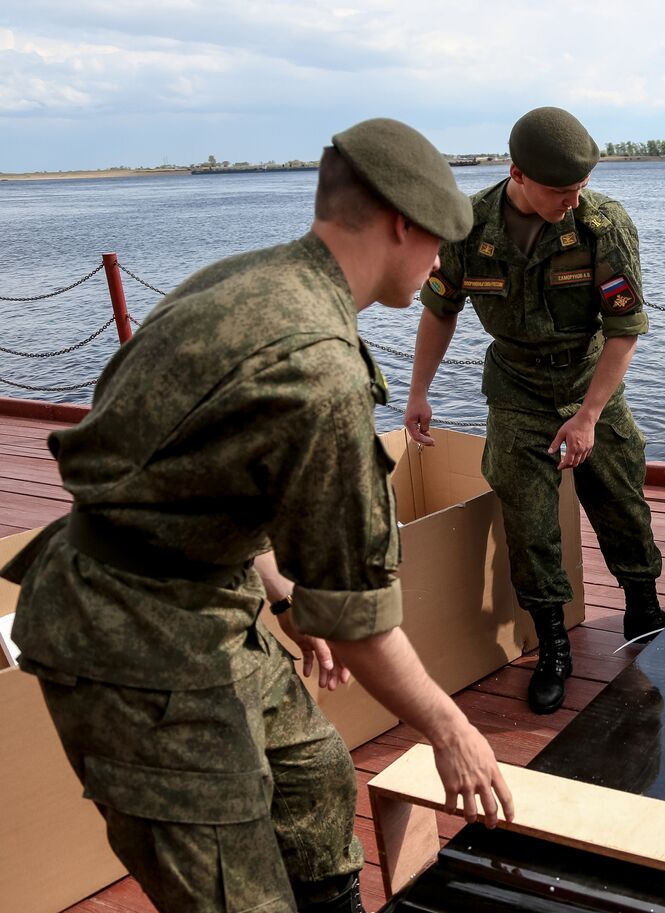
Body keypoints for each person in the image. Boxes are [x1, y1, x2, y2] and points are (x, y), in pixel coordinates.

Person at [0, 119, 513, 913]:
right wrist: (450, 729)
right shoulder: (318, 367)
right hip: (129, 641)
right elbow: (357, 622)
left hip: (205, 584)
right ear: (401, 224)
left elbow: (210, 472)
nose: (443, 261)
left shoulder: (251, 280)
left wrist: (277, 592)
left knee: (313, 774)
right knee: (235, 894)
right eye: (442, 239)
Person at [405, 107, 665, 716]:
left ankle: (645, 609)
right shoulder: (466, 228)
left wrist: (590, 416)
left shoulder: (602, 224)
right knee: (528, 521)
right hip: (517, 389)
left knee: (622, 498)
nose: (573, 201)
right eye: (559, 189)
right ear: (516, 172)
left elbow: (624, 328)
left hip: (588, 379)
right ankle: (553, 647)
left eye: (580, 186)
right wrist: (419, 391)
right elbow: (440, 311)